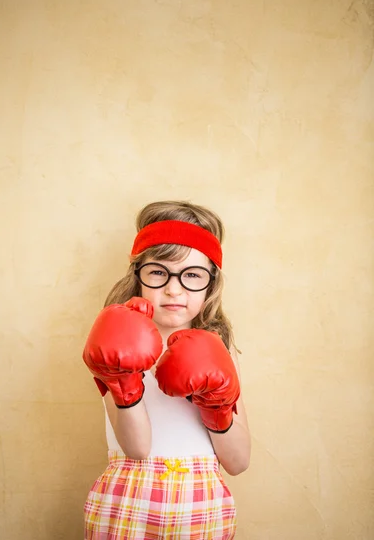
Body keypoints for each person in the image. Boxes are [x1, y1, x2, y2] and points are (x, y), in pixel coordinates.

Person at [83, 200, 251, 540]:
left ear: (210, 283)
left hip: (202, 506)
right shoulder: (115, 340)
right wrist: (123, 381)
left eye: (191, 275)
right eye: (159, 272)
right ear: (138, 276)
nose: (174, 289)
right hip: (127, 501)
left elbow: (238, 461)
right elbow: (138, 449)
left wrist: (217, 408)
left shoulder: (219, 348)